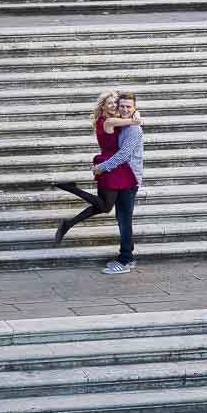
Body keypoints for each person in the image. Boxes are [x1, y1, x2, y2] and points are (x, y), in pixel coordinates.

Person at [53, 89, 141, 244]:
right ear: (103, 107)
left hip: (116, 165)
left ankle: (67, 223)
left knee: (103, 206)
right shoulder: (108, 121)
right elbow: (133, 122)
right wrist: (137, 116)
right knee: (105, 206)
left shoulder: (111, 119)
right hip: (108, 163)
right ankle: (73, 189)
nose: (114, 105)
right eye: (110, 103)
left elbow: (125, 118)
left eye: (115, 102)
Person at [93, 92, 144, 275]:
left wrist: (102, 167)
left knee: (124, 219)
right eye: (122, 106)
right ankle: (125, 256)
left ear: (134, 108)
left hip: (130, 177)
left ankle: (125, 260)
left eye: (128, 107)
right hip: (121, 176)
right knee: (121, 218)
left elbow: (123, 155)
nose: (124, 109)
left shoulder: (133, 130)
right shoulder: (124, 124)